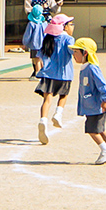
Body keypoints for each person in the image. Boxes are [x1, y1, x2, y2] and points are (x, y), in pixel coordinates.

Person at [72, 37, 106, 165]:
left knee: (92, 129)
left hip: (97, 106)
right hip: (91, 106)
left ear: (85, 53)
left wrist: (105, 100)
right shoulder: (85, 68)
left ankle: (105, 150)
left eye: (76, 52)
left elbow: (102, 85)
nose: (73, 55)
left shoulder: (92, 68)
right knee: (100, 128)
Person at [34, 14, 76, 144]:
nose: (72, 26)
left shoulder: (48, 39)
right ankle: (58, 114)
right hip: (65, 74)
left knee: (47, 99)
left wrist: (38, 69)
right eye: (70, 24)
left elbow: (39, 57)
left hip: (49, 74)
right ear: (64, 27)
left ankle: (43, 120)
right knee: (63, 95)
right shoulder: (69, 39)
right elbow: (73, 53)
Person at [24, 0, 58, 75]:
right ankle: (36, 70)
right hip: (35, 21)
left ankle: (45, 68)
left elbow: (54, 9)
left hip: (46, 22)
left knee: (46, 46)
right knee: (35, 49)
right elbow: (27, 9)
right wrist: (37, 11)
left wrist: (58, 6)